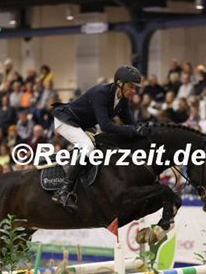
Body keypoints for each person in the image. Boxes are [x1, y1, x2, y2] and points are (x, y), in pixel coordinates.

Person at [51, 65, 148, 212]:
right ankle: (63, 191)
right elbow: (106, 125)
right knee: (87, 147)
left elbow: (131, 125)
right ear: (120, 83)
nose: (133, 91)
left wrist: (144, 131)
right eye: (131, 86)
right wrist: (132, 130)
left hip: (82, 124)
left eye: (134, 87)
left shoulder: (122, 100)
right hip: (66, 120)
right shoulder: (101, 93)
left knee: (101, 145)